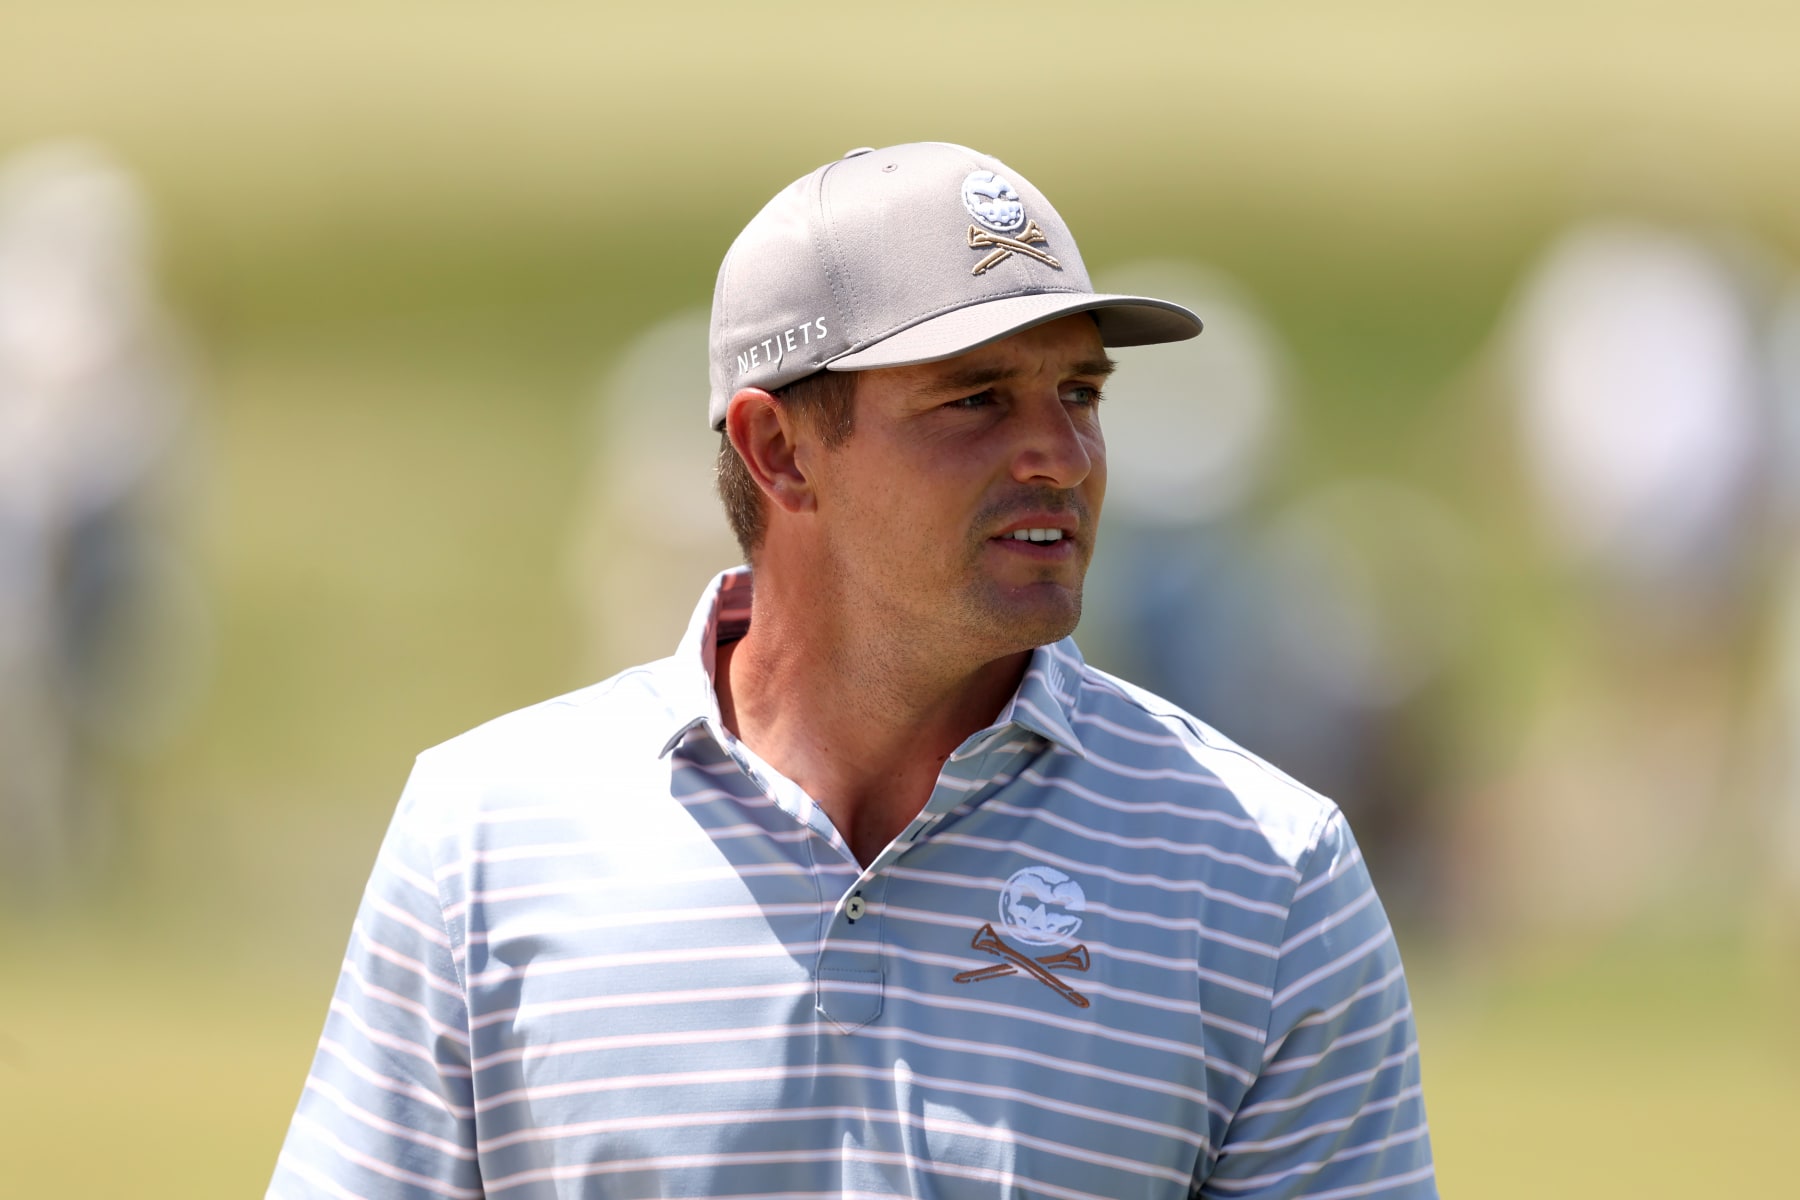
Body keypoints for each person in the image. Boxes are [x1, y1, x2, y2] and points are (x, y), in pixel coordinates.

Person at [269, 143, 1436, 1199]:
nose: (1061, 456)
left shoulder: (1266, 874)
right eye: (977, 399)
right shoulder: (484, 842)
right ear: (779, 451)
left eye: (1079, 393)